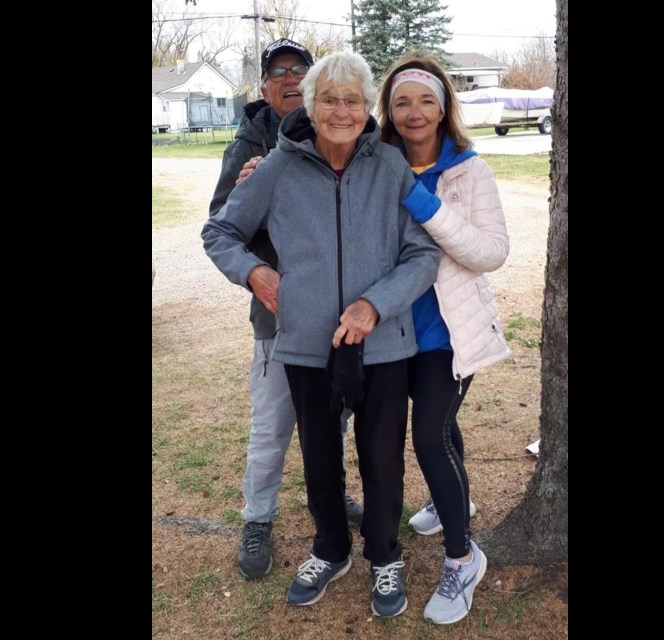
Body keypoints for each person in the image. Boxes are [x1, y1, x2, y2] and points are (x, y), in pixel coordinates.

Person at [202, 51, 441, 618]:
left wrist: (373, 305)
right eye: (328, 99)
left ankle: (384, 555)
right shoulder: (277, 168)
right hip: (307, 344)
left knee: (382, 457)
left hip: (382, 343)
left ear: (366, 108)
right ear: (311, 105)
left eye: (352, 100)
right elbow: (221, 231)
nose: (340, 110)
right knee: (319, 458)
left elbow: (423, 252)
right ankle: (331, 548)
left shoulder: (389, 167)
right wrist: (254, 271)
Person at [208, 38, 363, 583]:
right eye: (279, 71)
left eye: (301, 68)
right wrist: (256, 271)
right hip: (279, 318)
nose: (291, 77)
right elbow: (222, 226)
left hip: (340, 319)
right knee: (273, 425)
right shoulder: (248, 148)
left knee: (334, 419)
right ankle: (258, 519)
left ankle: (334, 496)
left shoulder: (339, 134)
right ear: (265, 86)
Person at [377, 52, 511, 625]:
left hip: (449, 336)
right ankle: (447, 495)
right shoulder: (375, 163)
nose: (414, 113)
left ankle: (463, 556)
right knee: (442, 428)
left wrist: (425, 202)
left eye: (426, 100)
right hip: (393, 333)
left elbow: (492, 253)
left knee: (429, 435)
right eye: (402, 101)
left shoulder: (469, 170)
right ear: (387, 109)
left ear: (443, 107)